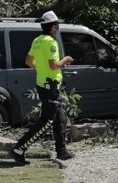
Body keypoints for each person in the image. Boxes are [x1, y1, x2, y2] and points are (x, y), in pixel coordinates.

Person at [11, 11, 75, 166]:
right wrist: (65, 60)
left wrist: (40, 70)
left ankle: (62, 151)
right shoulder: (51, 42)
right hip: (50, 86)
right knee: (46, 121)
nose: (58, 28)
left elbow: (28, 61)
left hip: (43, 84)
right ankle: (19, 149)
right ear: (53, 27)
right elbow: (54, 65)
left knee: (60, 117)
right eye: (57, 25)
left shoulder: (37, 40)